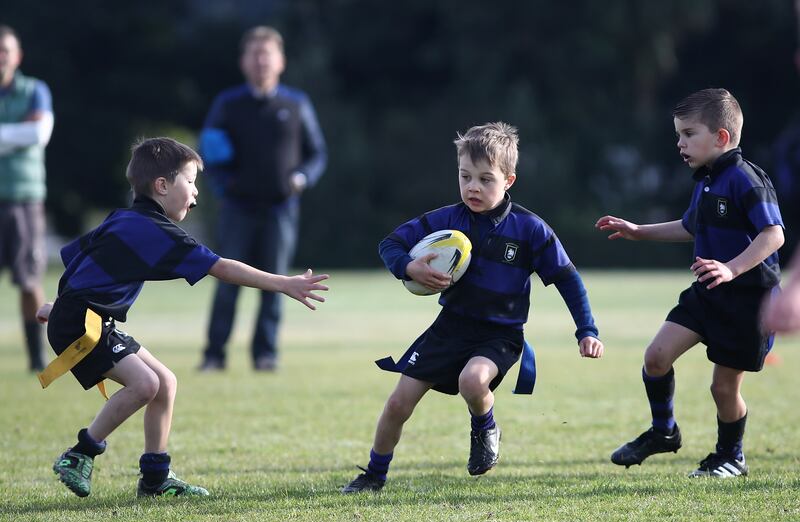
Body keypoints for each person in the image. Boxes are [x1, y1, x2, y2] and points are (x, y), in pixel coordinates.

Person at [36, 138, 329, 498]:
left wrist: (58, 305)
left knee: (165, 383)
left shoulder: (123, 218)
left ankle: (156, 478)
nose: (195, 194)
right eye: (190, 182)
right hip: (83, 321)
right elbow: (221, 267)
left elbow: (80, 260)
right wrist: (282, 282)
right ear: (162, 186)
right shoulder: (157, 231)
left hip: (83, 317)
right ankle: (81, 453)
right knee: (145, 385)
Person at [341, 122, 604, 493]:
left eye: (485, 179)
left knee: (472, 380)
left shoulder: (530, 230)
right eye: (465, 177)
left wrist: (586, 330)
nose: (472, 187)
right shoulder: (447, 219)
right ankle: (374, 475)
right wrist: (408, 266)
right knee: (399, 402)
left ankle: (484, 427)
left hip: (500, 334)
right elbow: (391, 243)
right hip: (450, 327)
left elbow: (567, 279)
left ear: (508, 180)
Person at [596, 88, 784, 478]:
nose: (680, 143)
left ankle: (731, 456)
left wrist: (732, 268)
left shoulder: (747, 179)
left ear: (721, 137)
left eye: (688, 134)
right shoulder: (707, 180)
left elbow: (774, 235)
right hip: (707, 295)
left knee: (722, 389)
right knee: (656, 357)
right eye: (678, 135)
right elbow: (689, 227)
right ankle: (664, 432)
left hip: (749, 302)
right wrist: (638, 231)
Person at [198, 26, 327, 372]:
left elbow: (317, 154)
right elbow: (208, 152)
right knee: (227, 283)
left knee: (278, 285)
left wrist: (302, 178)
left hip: (281, 210)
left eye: (266, 54)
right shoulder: (227, 104)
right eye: (254, 54)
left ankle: (265, 355)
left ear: (280, 61)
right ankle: (214, 356)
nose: (260, 61)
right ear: (243, 62)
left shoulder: (296, 103)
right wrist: (226, 188)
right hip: (237, 210)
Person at [0, 25, 54, 371]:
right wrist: (14, 135)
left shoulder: (35, 90)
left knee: (29, 280)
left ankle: (37, 357)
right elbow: (24, 134)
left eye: (4, 50)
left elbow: (38, 133)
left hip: (23, 198)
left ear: (16, 56)